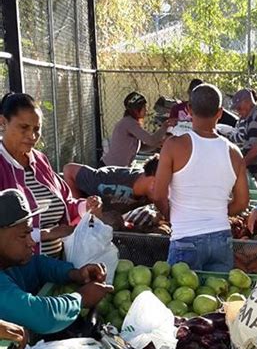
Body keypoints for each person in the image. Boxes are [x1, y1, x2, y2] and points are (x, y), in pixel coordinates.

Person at [153, 83, 249, 272]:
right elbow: (242, 203)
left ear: (189, 110)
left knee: (181, 299)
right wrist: (217, 213)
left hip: (185, 238)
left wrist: (171, 216)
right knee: (219, 298)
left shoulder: (173, 146)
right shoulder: (234, 153)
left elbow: (158, 195)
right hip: (222, 238)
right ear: (220, 113)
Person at [0, 93, 101, 257]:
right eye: (24, 127)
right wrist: (43, 234)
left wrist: (86, 207)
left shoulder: (40, 160)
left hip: (57, 269)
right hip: (18, 275)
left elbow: (65, 202)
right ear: (3, 122)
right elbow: (4, 235)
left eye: (36, 129)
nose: (32, 136)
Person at [0, 189, 113, 334]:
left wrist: (75, 274)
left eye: (30, 233)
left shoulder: (9, 263)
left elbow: (37, 265)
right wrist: (81, 298)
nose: (31, 242)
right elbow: (41, 316)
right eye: (24, 235)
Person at [63, 154, 159, 214]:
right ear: (153, 179)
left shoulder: (150, 196)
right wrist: (77, 208)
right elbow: (69, 170)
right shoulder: (107, 178)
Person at [102, 91, 173, 167]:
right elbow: (151, 140)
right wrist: (165, 126)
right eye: (144, 107)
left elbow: (141, 147)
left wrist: (157, 145)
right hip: (111, 169)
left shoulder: (130, 122)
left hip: (118, 168)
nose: (146, 110)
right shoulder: (129, 123)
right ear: (136, 110)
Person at [229, 88, 257, 200]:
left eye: (239, 108)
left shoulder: (255, 118)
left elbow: (255, 151)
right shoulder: (255, 114)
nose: (238, 112)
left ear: (248, 102)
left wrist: (238, 167)